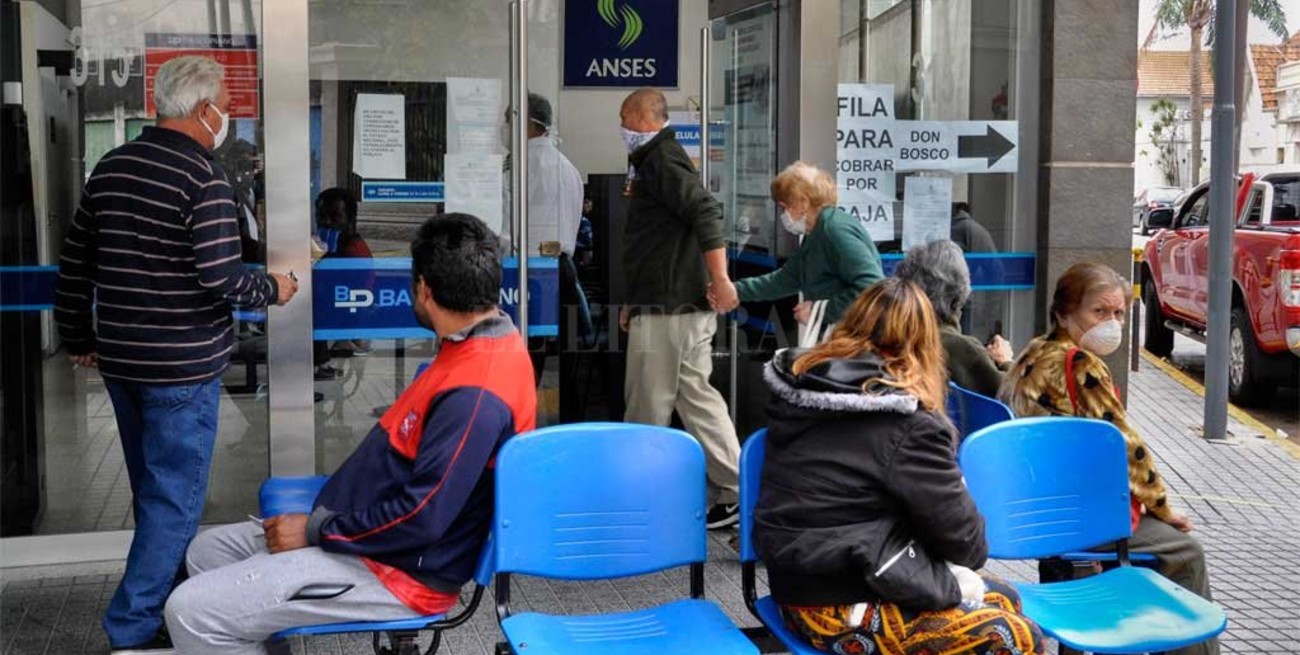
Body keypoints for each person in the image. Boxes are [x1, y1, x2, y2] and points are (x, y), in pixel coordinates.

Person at [163, 213, 536, 654]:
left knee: (189, 610)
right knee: (206, 552)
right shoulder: (475, 341)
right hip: (364, 532)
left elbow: (421, 519)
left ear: (424, 290)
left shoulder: (475, 393)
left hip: (397, 572)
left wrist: (318, 530)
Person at [54, 55, 299, 654]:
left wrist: (79, 339)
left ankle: (173, 608)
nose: (230, 119)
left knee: (155, 495)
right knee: (173, 503)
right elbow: (220, 276)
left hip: (124, 364)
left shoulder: (111, 167)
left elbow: (74, 264)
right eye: (227, 109)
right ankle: (133, 631)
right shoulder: (202, 176)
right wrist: (274, 288)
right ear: (202, 109)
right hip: (182, 370)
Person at [754, 278, 1043, 654]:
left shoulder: (806, 389)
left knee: (1005, 598)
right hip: (841, 605)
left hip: (798, 584)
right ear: (925, 344)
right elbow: (967, 547)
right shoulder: (906, 422)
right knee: (1016, 637)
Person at [998, 262, 1216, 655]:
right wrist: (1163, 509)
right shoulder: (1080, 363)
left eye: (1118, 313)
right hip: (1073, 516)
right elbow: (1126, 447)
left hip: (1034, 509)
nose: (1112, 322)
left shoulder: (1033, 351)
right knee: (1186, 552)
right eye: (1099, 312)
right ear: (1065, 313)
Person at [618, 87, 742, 529]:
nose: (623, 129)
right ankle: (735, 488)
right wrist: (635, 298)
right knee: (697, 400)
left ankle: (638, 500)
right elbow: (656, 241)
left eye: (625, 120)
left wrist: (722, 279)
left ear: (644, 118)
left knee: (647, 406)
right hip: (673, 305)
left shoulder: (661, 160)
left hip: (670, 309)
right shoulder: (654, 160)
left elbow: (705, 210)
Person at [717, 161, 883, 339]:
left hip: (856, 339)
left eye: (784, 207)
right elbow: (786, 279)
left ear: (803, 202)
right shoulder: (817, 232)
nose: (783, 215)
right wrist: (734, 290)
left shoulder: (833, 231)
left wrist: (820, 311)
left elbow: (872, 286)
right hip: (843, 337)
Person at [894, 240, 1011, 397]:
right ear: (960, 290)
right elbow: (1017, 398)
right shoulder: (963, 350)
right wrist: (1006, 362)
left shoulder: (897, 334)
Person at [313, 187, 373, 379]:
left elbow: (337, 293)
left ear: (350, 219)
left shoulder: (354, 250)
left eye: (335, 217)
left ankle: (320, 361)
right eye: (322, 217)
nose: (327, 223)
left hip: (348, 316)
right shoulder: (332, 247)